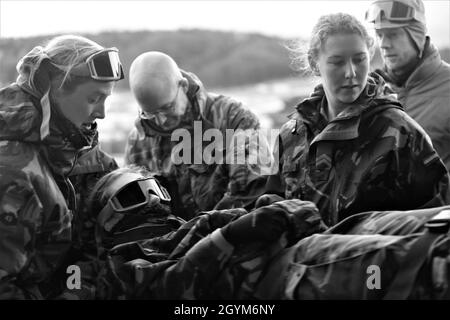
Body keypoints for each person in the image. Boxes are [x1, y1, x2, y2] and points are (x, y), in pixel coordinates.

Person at [89, 167, 450, 300]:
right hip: (275, 273)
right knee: (422, 262)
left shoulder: (183, 229)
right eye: (135, 193)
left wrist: (260, 209)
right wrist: (234, 235)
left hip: (296, 243)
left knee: (419, 222)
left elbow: (230, 220)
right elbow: (170, 288)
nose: (154, 199)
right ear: (107, 216)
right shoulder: (120, 263)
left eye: (156, 188)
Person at [263, 12, 450, 227]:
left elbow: (436, 227)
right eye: (337, 62)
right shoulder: (292, 135)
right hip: (298, 261)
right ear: (314, 64)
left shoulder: (400, 132)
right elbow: (271, 212)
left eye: (359, 59)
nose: (351, 72)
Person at [0, 35, 124, 299]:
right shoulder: (12, 171)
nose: (102, 113)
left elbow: (75, 260)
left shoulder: (79, 153)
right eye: (93, 98)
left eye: (106, 99)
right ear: (53, 91)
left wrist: (77, 289)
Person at [124, 52, 271, 220]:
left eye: (167, 107)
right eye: (151, 113)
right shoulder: (138, 143)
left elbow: (253, 193)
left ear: (183, 86)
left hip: (234, 237)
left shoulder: (234, 118)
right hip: (171, 244)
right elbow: (135, 213)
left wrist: (197, 235)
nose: (162, 120)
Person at [366, 0, 450, 171]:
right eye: (379, 34)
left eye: (393, 34)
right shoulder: (370, 92)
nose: (383, 44)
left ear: (416, 35)